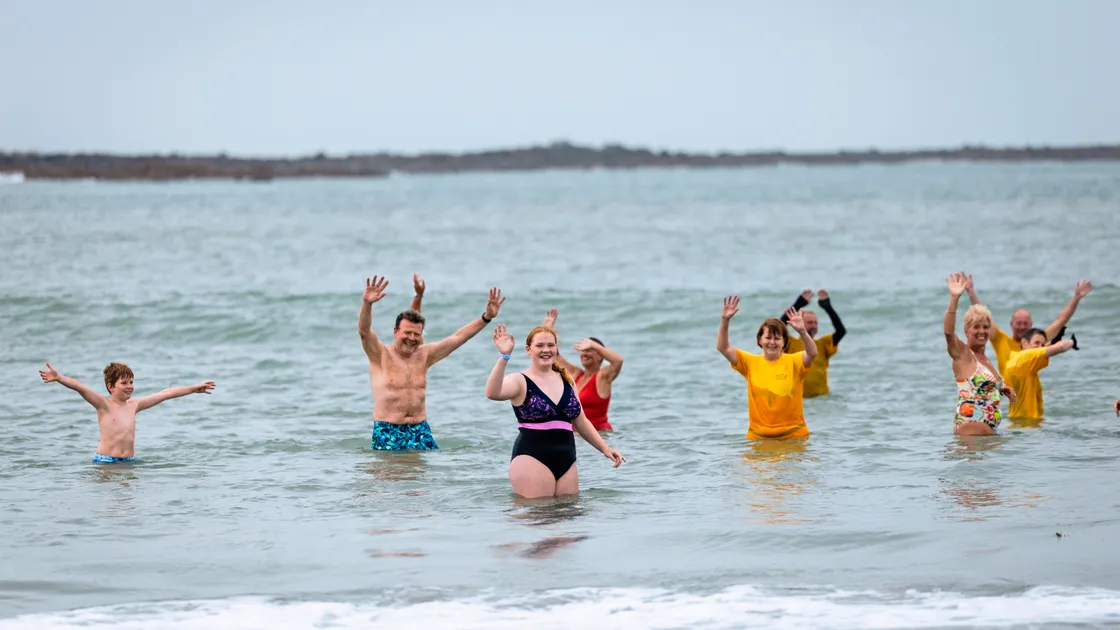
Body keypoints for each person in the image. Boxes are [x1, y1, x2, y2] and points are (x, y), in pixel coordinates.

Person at [359, 274, 504, 451]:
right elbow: (364, 332)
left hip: (420, 430)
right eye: (407, 333)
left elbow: (458, 337)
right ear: (395, 332)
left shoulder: (424, 355)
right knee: (391, 470)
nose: (412, 338)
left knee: (427, 470)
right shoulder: (380, 354)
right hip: (388, 430)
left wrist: (486, 317)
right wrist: (367, 304)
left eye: (417, 334)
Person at [485, 323, 625, 499]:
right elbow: (492, 392)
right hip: (531, 458)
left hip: (567, 460)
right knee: (540, 512)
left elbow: (581, 421)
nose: (546, 350)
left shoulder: (568, 380)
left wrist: (605, 448)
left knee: (569, 512)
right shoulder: (520, 381)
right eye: (540, 345)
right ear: (528, 350)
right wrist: (504, 356)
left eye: (551, 345)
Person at [38, 361, 215, 463]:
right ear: (111, 387)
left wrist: (193, 389)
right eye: (124, 383)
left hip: (129, 462)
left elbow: (165, 394)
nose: (129, 386)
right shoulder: (103, 405)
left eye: (131, 382)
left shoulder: (134, 405)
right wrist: (59, 378)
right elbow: (80, 387)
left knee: (129, 505)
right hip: (106, 462)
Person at [717, 295, 818, 440]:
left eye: (777, 338)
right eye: (768, 337)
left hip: (793, 436)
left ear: (784, 342)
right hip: (758, 437)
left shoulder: (794, 361)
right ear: (760, 340)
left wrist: (803, 332)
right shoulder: (749, 362)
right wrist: (725, 320)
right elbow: (723, 347)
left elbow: (812, 353)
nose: (772, 342)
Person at [964, 275, 1092, 379]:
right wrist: (971, 293)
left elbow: (1061, 320)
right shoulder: (1001, 340)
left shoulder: (1038, 341)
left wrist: (1076, 298)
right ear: (1011, 324)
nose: (1022, 327)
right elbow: (984, 315)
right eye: (1018, 323)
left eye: (1025, 323)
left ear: (1031, 325)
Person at [944, 273, 1015, 435]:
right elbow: (948, 333)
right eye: (976, 327)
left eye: (985, 327)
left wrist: (1003, 388)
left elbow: (985, 387)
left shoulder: (985, 359)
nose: (982, 331)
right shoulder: (963, 354)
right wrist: (954, 299)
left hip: (986, 437)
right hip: (971, 433)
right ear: (966, 331)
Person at [538, 308, 624, 431]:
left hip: (598, 435)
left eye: (589, 350)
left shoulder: (602, 377)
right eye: (582, 350)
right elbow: (554, 357)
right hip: (576, 435)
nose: (584, 354)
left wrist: (594, 344)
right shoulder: (576, 374)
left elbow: (618, 361)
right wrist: (547, 328)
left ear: (600, 356)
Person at [778, 288, 846, 398]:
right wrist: (799, 303)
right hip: (796, 398)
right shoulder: (790, 343)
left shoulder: (823, 343)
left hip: (821, 399)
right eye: (810, 323)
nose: (813, 326)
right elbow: (776, 328)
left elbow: (841, 331)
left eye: (815, 323)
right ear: (800, 323)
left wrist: (827, 306)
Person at [1004, 328, 1077, 420]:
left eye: (1042, 344)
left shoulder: (1017, 359)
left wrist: (1051, 343)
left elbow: (1039, 351)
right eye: (1036, 343)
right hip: (1027, 422)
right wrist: (1073, 341)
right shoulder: (1026, 356)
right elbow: (1061, 347)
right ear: (1024, 343)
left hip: (1018, 420)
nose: (1040, 347)